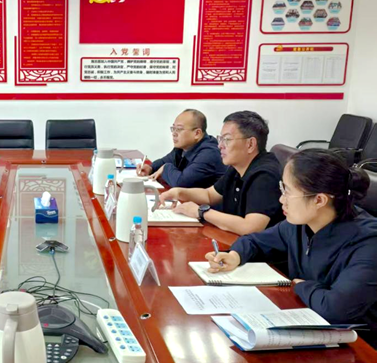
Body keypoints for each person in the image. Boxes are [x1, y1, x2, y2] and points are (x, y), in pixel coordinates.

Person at [205, 149, 377, 348]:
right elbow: (255, 241)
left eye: (287, 191)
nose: (281, 199)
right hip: (310, 325)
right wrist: (235, 255)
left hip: (359, 345)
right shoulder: (299, 224)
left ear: (319, 200)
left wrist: (302, 286)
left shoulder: (369, 242)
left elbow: (335, 309)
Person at [160, 111, 283, 235]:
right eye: (220, 139)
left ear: (250, 144)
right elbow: (209, 195)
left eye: (227, 139)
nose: (220, 146)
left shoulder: (265, 175)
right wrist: (179, 192)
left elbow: (251, 227)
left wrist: (201, 212)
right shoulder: (238, 166)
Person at [136, 109, 225, 188]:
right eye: (173, 128)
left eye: (179, 129)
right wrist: (150, 168)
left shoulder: (209, 153)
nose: (174, 133)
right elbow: (165, 161)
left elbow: (181, 183)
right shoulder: (183, 147)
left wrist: (166, 168)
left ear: (197, 133)